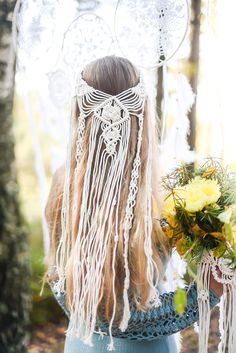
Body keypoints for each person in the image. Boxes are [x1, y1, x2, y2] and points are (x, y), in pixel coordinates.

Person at [44, 56, 223, 353]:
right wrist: (205, 295)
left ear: (81, 117)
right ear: (143, 117)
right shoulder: (162, 191)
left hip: (85, 344)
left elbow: (63, 286)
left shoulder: (64, 185)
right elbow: (119, 318)